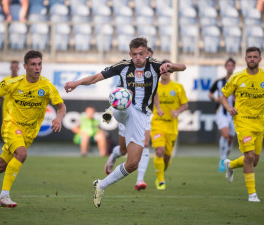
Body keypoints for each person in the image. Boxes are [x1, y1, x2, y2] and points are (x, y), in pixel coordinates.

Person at [65, 37, 186, 208]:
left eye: (141, 54)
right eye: (135, 54)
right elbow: (96, 78)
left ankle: (101, 185)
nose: (138, 57)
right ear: (130, 54)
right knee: (123, 96)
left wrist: (171, 66)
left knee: (132, 163)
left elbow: (183, 67)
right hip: (125, 109)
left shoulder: (155, 66)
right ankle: (112, 108)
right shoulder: (122, 66)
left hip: (141, 116)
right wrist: (77, 83)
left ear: (147, 53)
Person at [0, 50, 66, 207]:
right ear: (25, 66)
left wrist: (58, 117)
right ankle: (3, 196)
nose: (37, 68)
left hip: (28, 133)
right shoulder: (14, 83)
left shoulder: (47, 86)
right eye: (33, 64)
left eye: (39, 64)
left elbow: (61, 106)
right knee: (22, 154)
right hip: (11, 126)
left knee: (1, 166)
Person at [221, 46, 264, 202]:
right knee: (249, 156)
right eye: (249, 57)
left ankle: (230, 165)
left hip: (259, 122)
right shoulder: (237, 77)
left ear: (260, 59)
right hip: (242, 122)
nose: (252, 59)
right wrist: (229, 107)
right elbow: (223, 96)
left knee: (253, 161)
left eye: (255, 57)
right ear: (245, 59)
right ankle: (252, 194)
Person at [104, 47, 156, 191]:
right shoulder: (126, 74)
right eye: (137, 56)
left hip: (144, 115)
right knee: (123, 150)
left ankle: (140, 180)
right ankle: (113, 157)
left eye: (146, 56)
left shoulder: (153, 73)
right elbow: (118, 98)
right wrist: (109, 111)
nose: (142, 59)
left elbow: (155, 94)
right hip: (128, 115)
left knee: (145, 143)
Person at [151, 59, 188, 190]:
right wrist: (157, 108)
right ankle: (160, 180)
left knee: (166, 158)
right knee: (159, 151)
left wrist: (177, 111)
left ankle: (160, 171)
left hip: (171, 127)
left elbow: (185, 105)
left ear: (171, 71)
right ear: (160, 71)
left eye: (168, 69)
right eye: (163, 69)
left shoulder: (178, 87)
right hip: (157, 124)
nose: (165, 72)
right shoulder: (154, 86)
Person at [208, 58, 236, 172]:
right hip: (221, 112)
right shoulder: (219, 82)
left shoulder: (238, 81)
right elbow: (210, 93)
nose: (230, 67)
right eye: (228, 65)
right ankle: (222, 159)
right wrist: (215, 99)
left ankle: (225, 155)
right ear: (226, 67)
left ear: (234, 67)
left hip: (234, 113)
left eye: (231, 65)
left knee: (230, 138)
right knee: (225, 134)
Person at [0, 60, 20, 125]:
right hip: (6, 111)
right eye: (12, 67)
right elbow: (0, 97)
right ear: (10, 68)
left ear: (18, 68)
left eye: (15, 67)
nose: (14, 69)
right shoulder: (5, 80)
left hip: (18, 112)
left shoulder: (22, 80)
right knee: (6, 133)